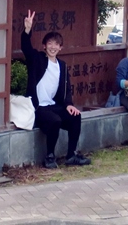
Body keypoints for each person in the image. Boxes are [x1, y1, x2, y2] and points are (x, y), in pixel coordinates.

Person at [22, 9, 91, 169]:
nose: (53, 47)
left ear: (61, 47)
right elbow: (26, 48)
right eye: (50, 44)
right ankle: (50, 156)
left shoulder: (62, 65)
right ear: (44, 46)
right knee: (55, 120)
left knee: (75, 117)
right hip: (38, 107)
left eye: (57, 44)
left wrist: (69, 104)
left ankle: (71, 155)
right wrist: (27, 30)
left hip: (54, 105)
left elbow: (66, 89)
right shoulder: (37, 59)